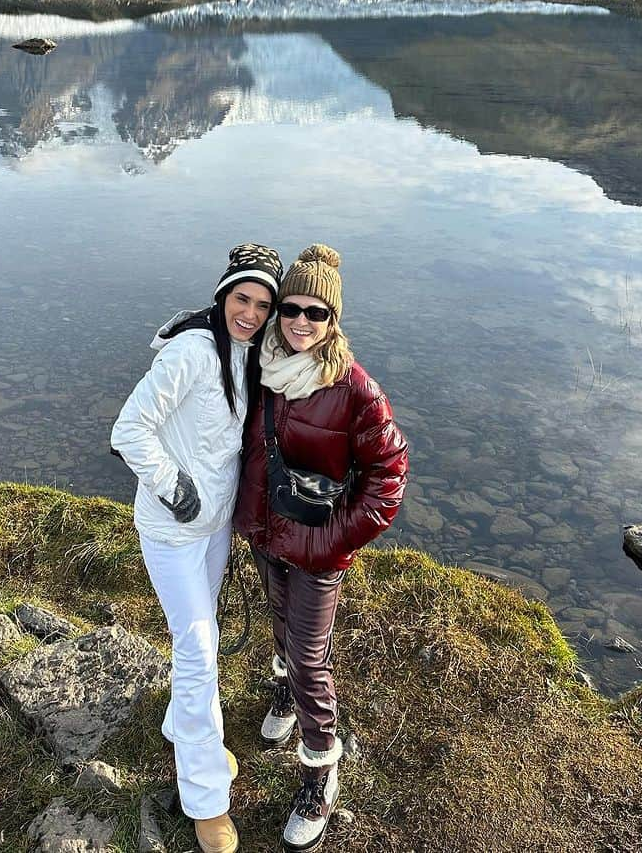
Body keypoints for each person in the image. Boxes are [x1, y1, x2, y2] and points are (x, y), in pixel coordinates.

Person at [233, 244, 409, 852]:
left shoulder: (355, 388)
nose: (299, 322)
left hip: (318, 548)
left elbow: (389, 476)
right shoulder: (265, 366)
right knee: (280, 631)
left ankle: (319, 773)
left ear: (334, 320)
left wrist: (333, 539)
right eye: (290, 309)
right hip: (267, 533)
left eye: (316, 313)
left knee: (311, 658)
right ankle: (281, 694)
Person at [111, 243, 284, 853]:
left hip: (211, 529)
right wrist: (174, 488)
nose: (252, 313)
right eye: (242, 298)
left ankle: (181, 728)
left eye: (264, 304)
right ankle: (206, 800)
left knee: (199, 639)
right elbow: (128, 429)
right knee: (199, 648)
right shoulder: (190, 352)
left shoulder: (247, 353)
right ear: (222, 294)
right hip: (170, 528)